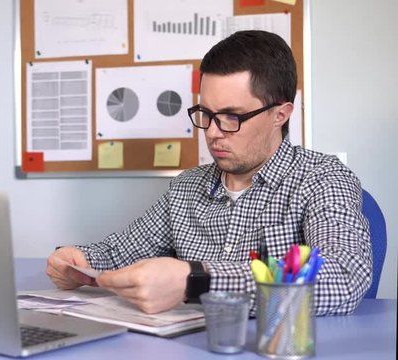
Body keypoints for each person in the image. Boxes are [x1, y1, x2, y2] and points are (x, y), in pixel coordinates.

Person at [45, 30, 372, 316]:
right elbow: (121, 251)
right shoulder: (186, 187)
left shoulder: (323, 178)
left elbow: (343, 277)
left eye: (232, 116)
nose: (213, 132)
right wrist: (76, 261)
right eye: (206, 113)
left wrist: (198, 281)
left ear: (280, 114)